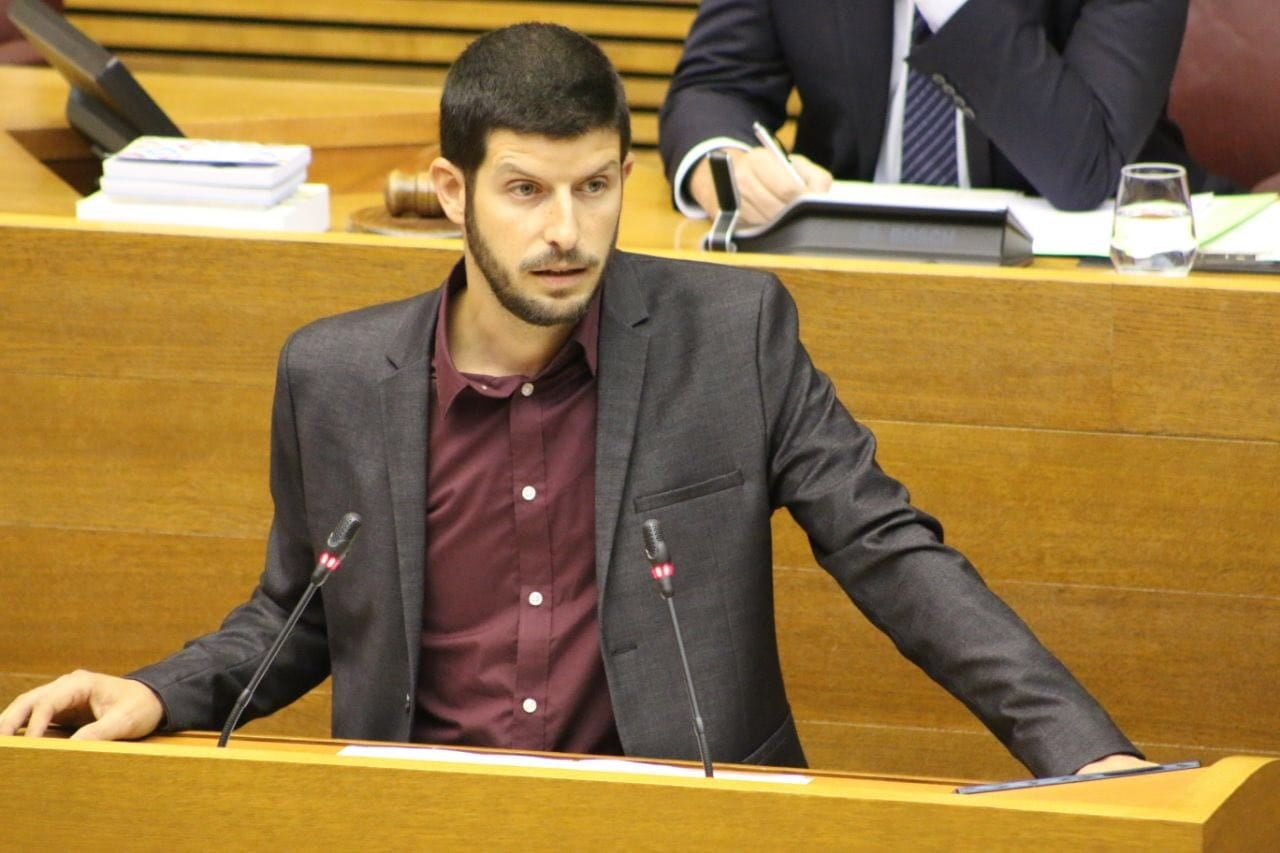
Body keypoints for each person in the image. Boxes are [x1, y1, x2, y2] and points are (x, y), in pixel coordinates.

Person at [1, 22, 1145, 778]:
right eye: (525, 191)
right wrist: (156, 691)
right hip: (416, 827)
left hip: (681, 824)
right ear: (452, 190)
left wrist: (1080, 754)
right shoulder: (334, 375)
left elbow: (891, 552)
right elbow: (296, 615)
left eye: (595, 186)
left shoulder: (730, 335)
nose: (565, 230)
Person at [659, 0, 1236, 226]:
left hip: (1089, 282)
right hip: (853, 265)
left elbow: (1083, 169)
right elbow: (715, 86)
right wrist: (726, 167)